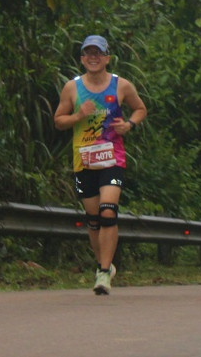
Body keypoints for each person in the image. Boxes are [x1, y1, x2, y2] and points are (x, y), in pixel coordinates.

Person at [54, 34, 147, 295]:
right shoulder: (72, 88)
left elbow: (140, 109)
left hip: (112, 159)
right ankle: (102, 265)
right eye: (88, 53)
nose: (93, 57)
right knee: (93, 220)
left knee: (108, 211)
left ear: (107, 58)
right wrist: (77, 116)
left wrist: (129, 124)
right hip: (83, 162)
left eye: (98, 53)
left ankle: (104, 272)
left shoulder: (121, 85)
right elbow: (58, 121)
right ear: (82, 58)